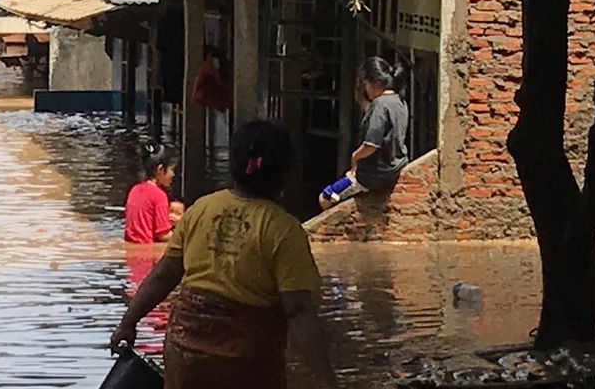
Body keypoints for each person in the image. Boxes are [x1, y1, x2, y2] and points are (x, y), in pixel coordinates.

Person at [111, 121, 339, 389]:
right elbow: (299, 311)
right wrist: (326, 379)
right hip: (246, 362)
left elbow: (163, 276)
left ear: (233, 164)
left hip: (186, 354)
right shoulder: (284, 230)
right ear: (286, 173)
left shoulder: (201, 209)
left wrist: (128, 323)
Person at [319, 56, 409, 210]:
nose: (365, 89)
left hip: (373, 174)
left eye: (366, 84)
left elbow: (371, 144)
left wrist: (355, 157)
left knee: (325, 198)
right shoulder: (399, 102)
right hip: (395, 165)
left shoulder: (380, 105)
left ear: (375, 82)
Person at [124, 145, 179, 244]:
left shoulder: (134, 189)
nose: (173, 174)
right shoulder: (159, 195)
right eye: (172, 170)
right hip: (147, 251)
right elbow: (163, 235)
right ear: (160, 169)